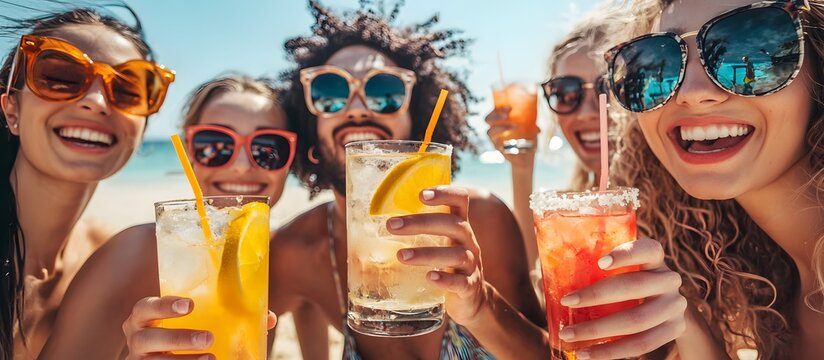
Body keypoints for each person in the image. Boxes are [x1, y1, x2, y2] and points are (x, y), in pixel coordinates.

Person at [606, 0, 824, 357]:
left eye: (748, 47)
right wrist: (690, 331)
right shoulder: (780, 289)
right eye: (656, 62)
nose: (691, 92)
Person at [38, 74, 293, 359]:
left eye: (268, 148)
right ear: (189, 152)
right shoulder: (127, 256)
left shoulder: (281, 255)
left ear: (291, 158)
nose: (242, 166)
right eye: (215, 144)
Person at [0, 6, 175, 358]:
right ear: (11, 110)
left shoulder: (127, 260)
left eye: (127, 89)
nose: (96, 102)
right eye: (61, 77)